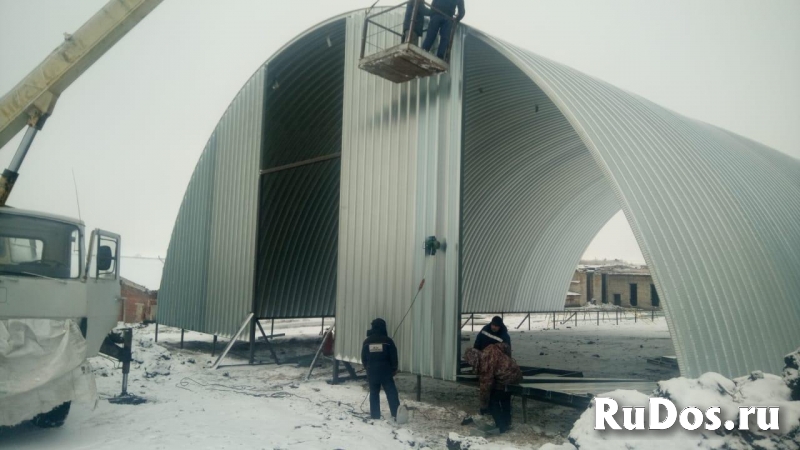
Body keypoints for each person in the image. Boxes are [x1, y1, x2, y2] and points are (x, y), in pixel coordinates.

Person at [464, 344, 522, 433]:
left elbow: (485, 386)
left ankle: (501, 425)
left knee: (492, 400)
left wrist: (483, 405)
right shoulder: (488, 350)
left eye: (470, 362)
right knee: (505, 398)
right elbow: (504, 346)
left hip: (506, 379)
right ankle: (507, 422)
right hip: (516, 374)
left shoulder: (485, 363)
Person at [361, 318, 400, 420]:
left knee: (374, 393)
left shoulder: (367, 342)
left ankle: (375, 415)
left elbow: (363, 358)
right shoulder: (388, 341)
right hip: (386, 372)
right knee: (391, 393)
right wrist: (394, 369)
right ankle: (396, 414)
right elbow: (394, 356)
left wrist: (367, 368)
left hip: (372, 372)